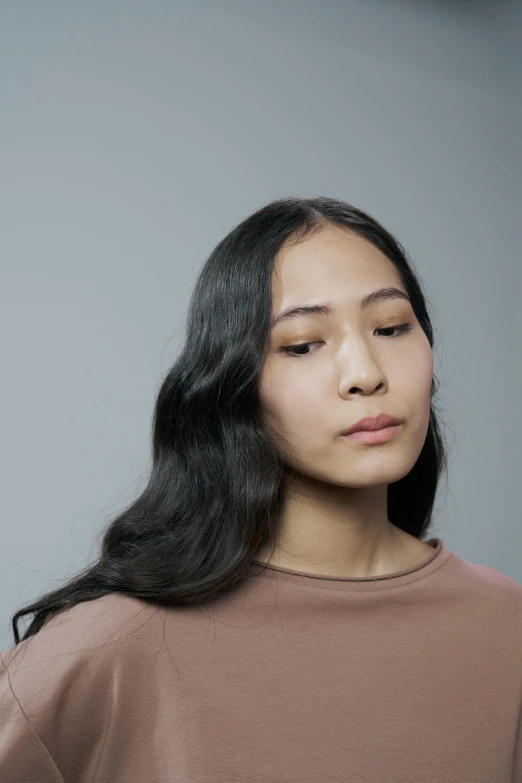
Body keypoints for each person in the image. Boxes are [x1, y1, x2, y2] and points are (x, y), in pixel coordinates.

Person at [1, 196, 521, 782]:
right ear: (234, 384)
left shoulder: (507, 625)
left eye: (392, 327)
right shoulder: (113, 648)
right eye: (302, 345)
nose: (366, 374)